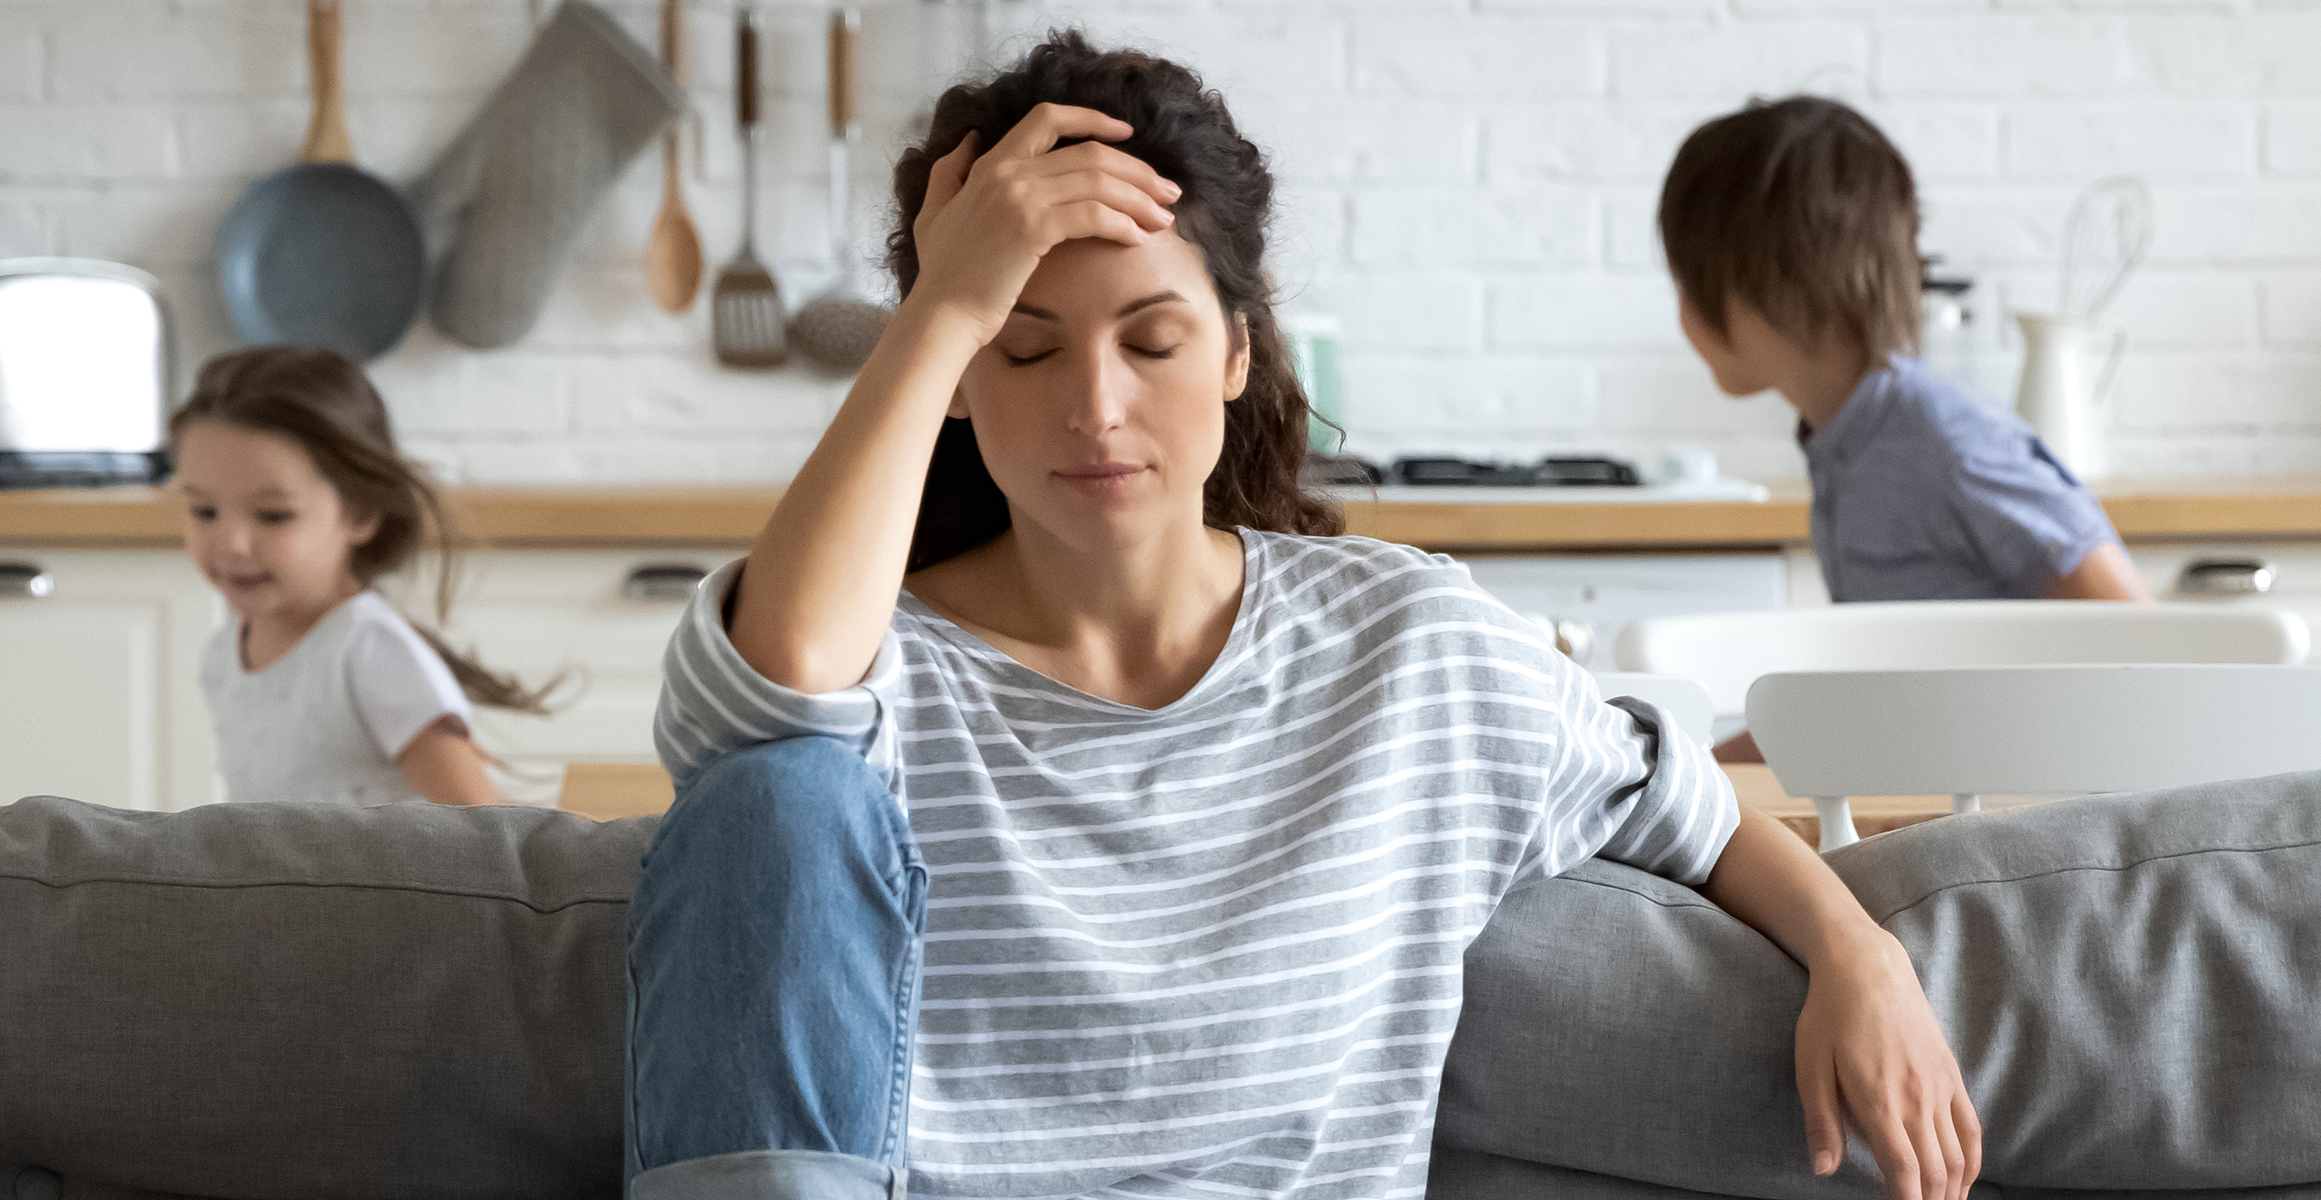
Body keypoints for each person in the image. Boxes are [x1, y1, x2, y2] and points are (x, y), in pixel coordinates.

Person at [627, 33, 1980, 1200]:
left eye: (1149, 342)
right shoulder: (870, 670)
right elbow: (774, 703)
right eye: (1024, 346)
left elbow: (1678, 797)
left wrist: (1859, 954)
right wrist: (946, 299)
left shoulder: (1408, 652)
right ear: (958, 379)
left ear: (1234, 352)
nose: (1094, 407)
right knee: (771, 791)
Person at [1660, 95, 2148, 607]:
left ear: (1774, 286)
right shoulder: (1843, 439)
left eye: (1689, 283)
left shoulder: (1950, 442)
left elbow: (2131, 624)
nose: (1682, 312)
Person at [169, 346, 552, 807]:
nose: (231, 542)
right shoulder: (225, 649)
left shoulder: (370, 651)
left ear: (361, 513)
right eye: (203, 510)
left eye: (272, 515)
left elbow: (487, 827)